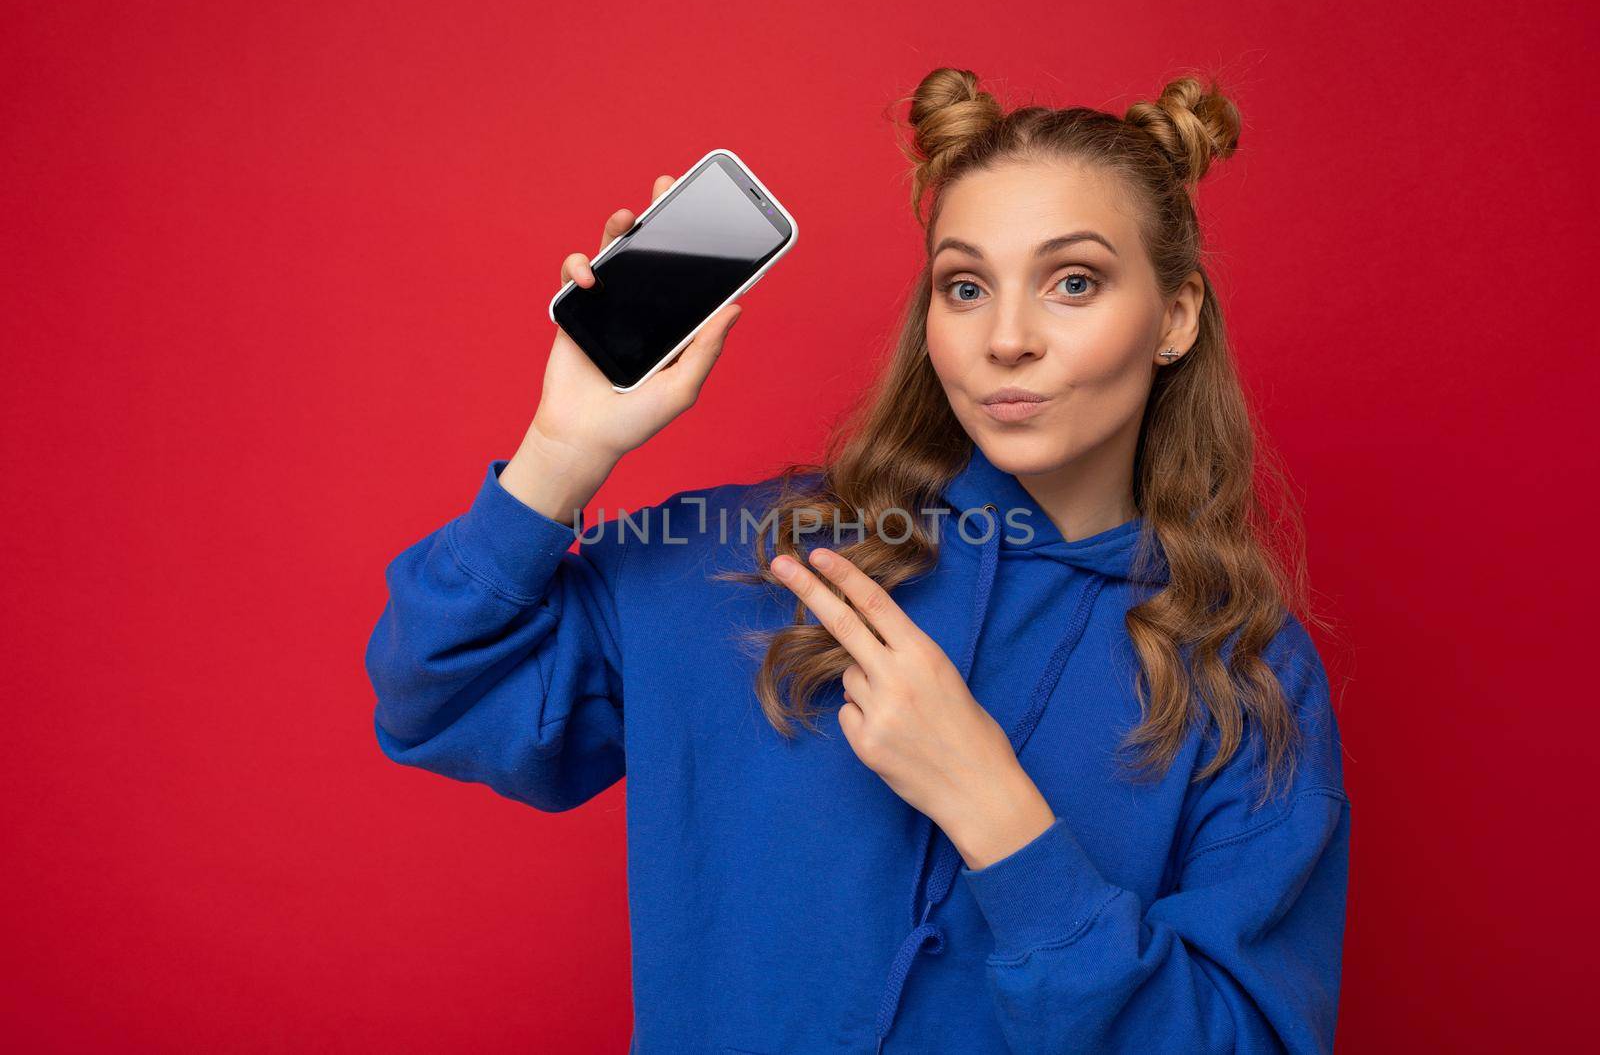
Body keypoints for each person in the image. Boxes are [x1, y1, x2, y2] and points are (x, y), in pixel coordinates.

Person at [364, 66, 1350, 1055]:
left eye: (1072, 283)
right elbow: (435, 695)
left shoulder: (1246, 671)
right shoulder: (737, 560)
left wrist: (1000, 818)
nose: (1006, 338)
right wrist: (565, 448)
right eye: (964, 286)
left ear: (1174, 317)